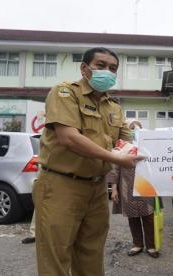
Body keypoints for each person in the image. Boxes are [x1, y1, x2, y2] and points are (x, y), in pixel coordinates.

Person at [32, 47, 143, 276]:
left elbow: (129, 141)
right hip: (61, 185)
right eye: (100, 65)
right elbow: (68, 138)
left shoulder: (114, 107)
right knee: (56, 256)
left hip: (96, 188)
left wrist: (167, 145)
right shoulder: (65, 93)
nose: (107, 72)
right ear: (84, 68)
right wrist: (115, 158)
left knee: (91, 254)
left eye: (113, 68)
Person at [109, 120, 159, 258]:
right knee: (132, 216)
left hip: (145, 184)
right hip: (126, 185)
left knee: (148, 216)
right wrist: (114, 188)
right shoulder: (121, 146)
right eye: (130, 128)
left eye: (136, 128)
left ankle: (151, 246)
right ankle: (137, 244)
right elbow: (115, 168)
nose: (133, 131)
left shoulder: (147, 146)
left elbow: (158, 163)